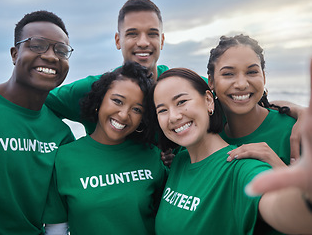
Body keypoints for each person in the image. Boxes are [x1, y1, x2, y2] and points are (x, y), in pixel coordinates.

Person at [0, 0, 305, 163]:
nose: (143, 42)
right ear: (118, 40)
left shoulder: (183, 83)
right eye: (132, 33)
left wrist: (302, 111)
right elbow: (25, 98)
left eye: (153, 33)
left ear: (163, 40)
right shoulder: (96, 89)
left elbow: (235, 95)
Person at [0, 11, 75, 234]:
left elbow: (56, 220)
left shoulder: (61, 134)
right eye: (37, 45)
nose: (51, 56)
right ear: (15, 54)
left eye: (61, 50)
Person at [149, 68, 312, 234]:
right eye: (162, 110)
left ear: (208, 101)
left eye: (181, 102)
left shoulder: (241, 167)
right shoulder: (179, 160)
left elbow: (287, 213)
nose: (173, 117)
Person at [44, 61, 168, 235]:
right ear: (99, 100)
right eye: (117, 101)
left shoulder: (151, 155)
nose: (124, 115)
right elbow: (56, 229)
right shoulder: (63, 159)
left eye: (136, 109)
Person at [207, 34, 296, 168]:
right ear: (211, 82)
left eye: (252, 72)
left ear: (264, 77)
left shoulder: (293, 133)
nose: (241, 84)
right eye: (228, 74)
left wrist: (278, 166)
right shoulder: (209, 135)